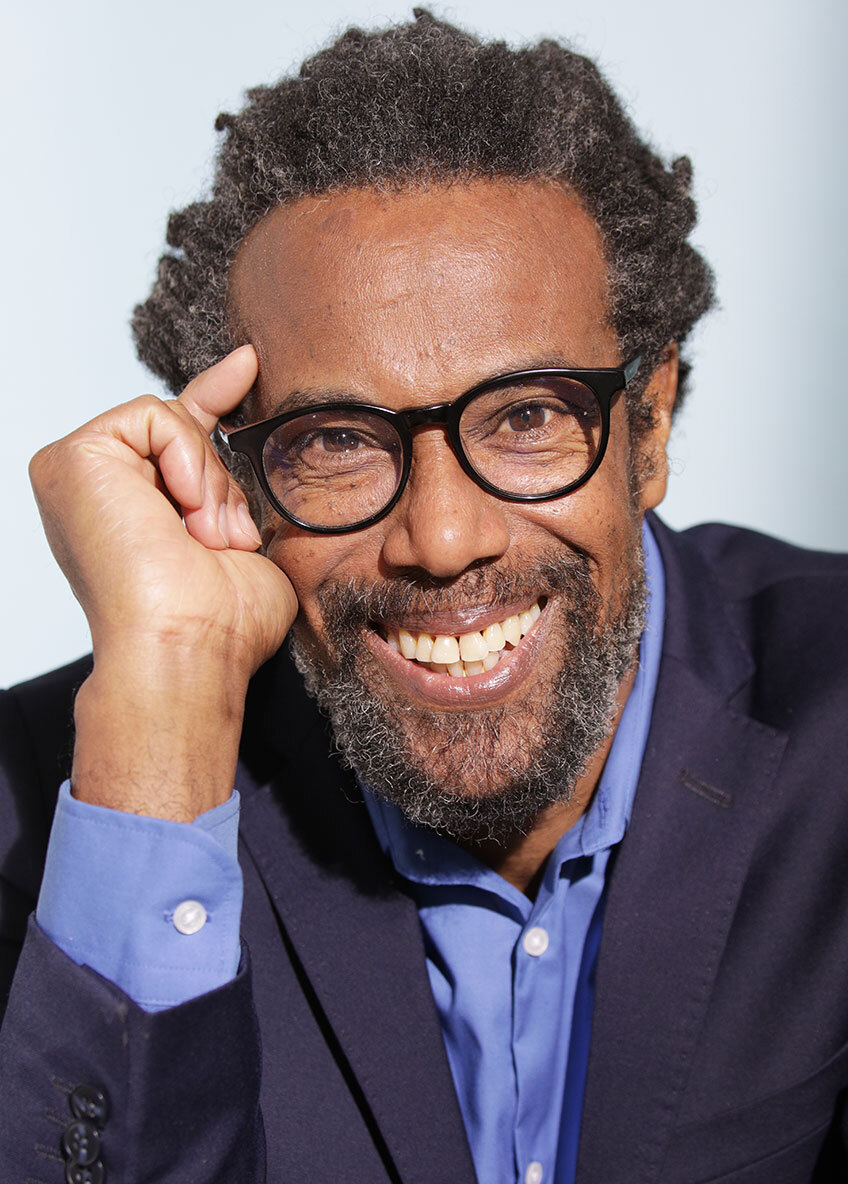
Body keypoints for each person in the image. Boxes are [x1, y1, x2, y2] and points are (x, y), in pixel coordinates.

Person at [1, 10, 846, 1183]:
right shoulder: (48, 816)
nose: (443, 541)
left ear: (648, 426)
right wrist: (163, 715)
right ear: (232, 473)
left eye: (527, 415)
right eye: (336, 441)